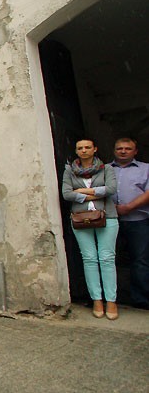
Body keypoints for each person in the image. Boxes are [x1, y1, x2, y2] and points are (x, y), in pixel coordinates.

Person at [62, 139, 119, 320]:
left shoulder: (106, 169)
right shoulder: (69, 171)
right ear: (76, 151)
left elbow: (111, 189)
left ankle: (111, 300)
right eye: (80, 148)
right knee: (89, 259)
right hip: (81, 219)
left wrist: (83, 191)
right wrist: (95, 192)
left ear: (95, 149)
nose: (84, 150)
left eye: (87, 147)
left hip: (107, 217)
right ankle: (96, 299)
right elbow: (67, 194)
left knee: (107, 258)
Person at [110, 137, 149, 309]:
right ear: (114, 151)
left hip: (138, 221)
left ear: (135, 151)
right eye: (119, 148)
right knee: (109, 259)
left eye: (127, 148)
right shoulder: (104, 169)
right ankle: (112, 298)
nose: (123, 151)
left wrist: (128, 207)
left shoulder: (146, 169)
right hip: (110, 221)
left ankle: (141, 299)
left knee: (140, 260)